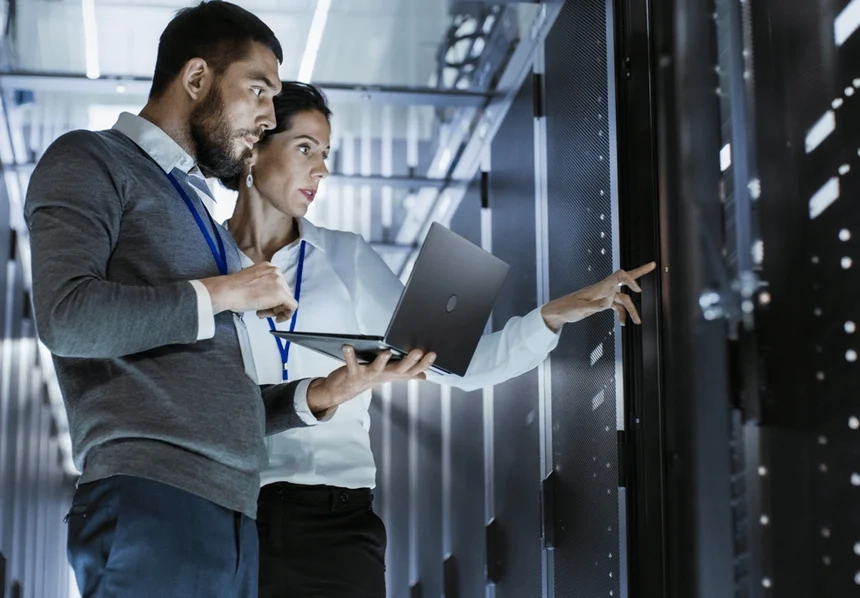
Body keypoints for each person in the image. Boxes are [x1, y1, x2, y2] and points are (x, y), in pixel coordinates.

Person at [24, 4, 431, 597]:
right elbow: (68, 318)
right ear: (196, 80)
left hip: (234, 515)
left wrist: (324, 394)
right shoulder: (90, 159)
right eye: (258, 90)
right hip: (152, 497)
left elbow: (218, 396)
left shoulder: (202, 221)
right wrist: (229, 290)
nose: (267, 117)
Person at [220, 81, 657, 597]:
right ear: (255, 147)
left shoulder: (347, 258)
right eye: (305, 148)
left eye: (327, 154)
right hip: (232, 516)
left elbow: (460, 366)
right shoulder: (204, 264)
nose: (322, 169)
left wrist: (552, 316)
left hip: (336, 522)